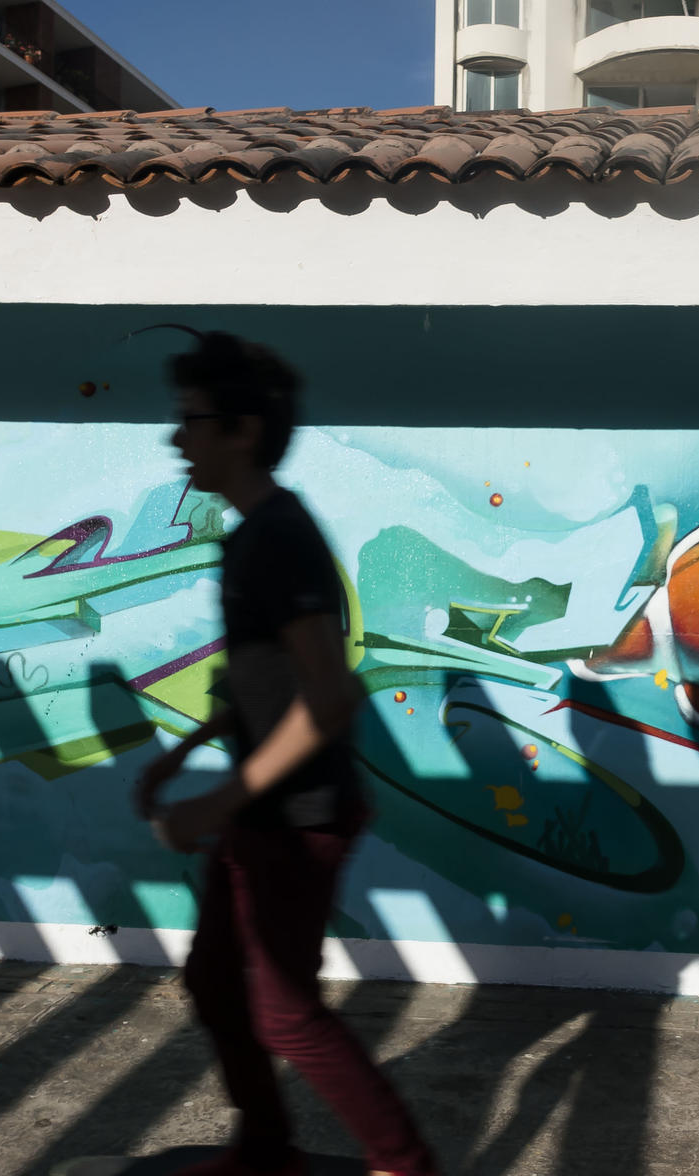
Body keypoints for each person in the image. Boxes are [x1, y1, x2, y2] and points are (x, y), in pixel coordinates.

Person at [136, 332, 438, 1176]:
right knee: (214, 981)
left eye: (190, 420)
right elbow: (256, 685)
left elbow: (329, 696)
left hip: (300, 817)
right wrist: (185, 753)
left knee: (286, 1014)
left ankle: (404, 1164)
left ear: (241, 430)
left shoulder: (279, 536)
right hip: (263, 811)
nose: (175, 438)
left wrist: (214, 801)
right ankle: (266, 1145)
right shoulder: (249, 538)